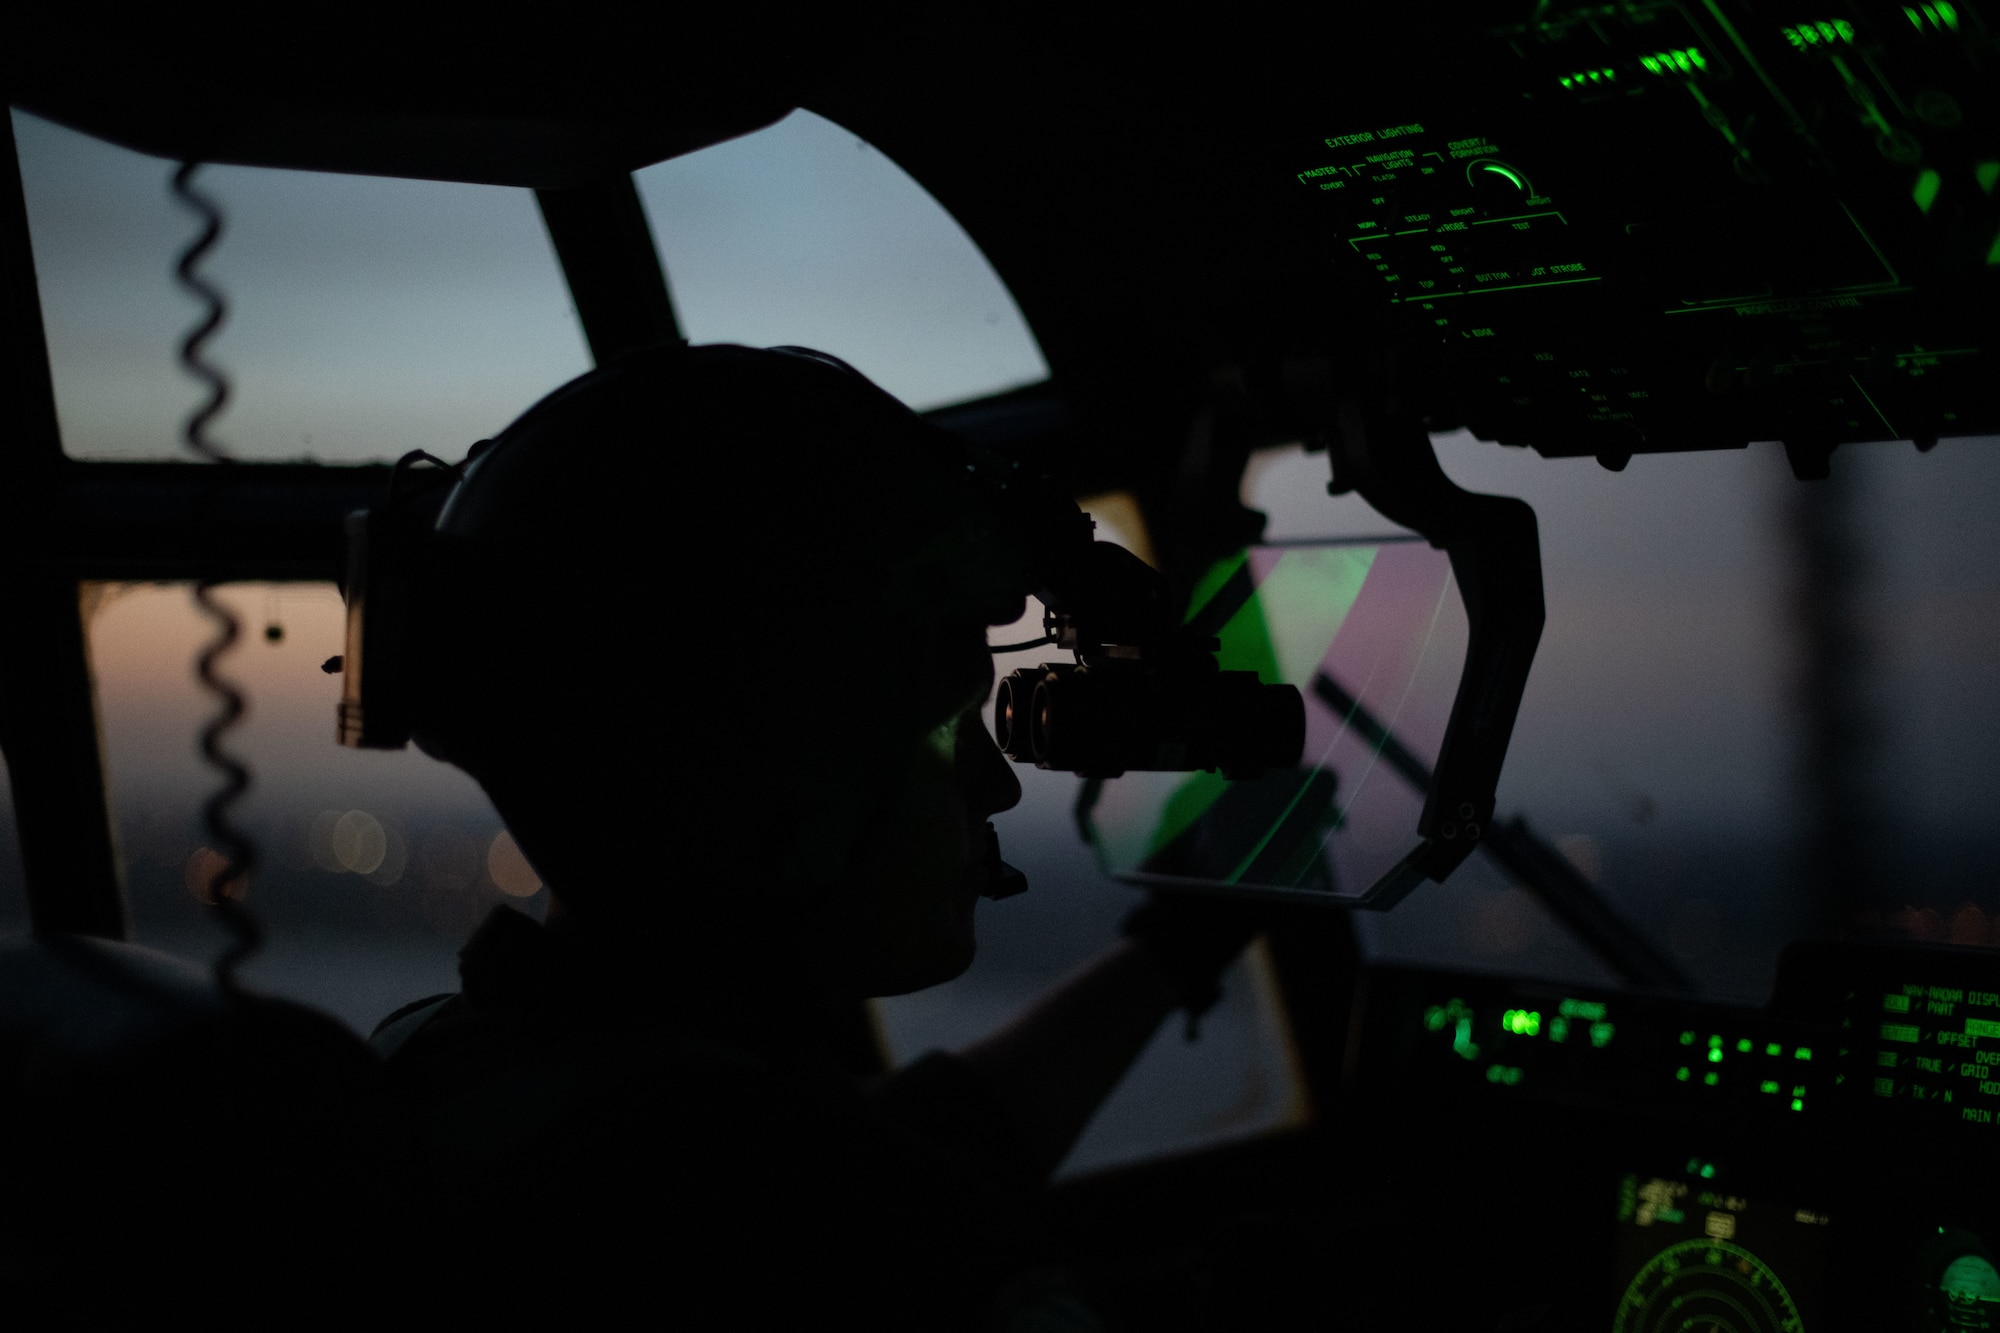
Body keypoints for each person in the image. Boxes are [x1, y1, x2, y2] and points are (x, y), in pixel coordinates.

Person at [368, 343, 1256, 1328]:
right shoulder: (830, 1231)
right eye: (948, 727)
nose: (995, 785)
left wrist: (1176, 946)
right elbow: (872, 1195)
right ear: (780, 770)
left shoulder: (453, 1071)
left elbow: (923, 1137)